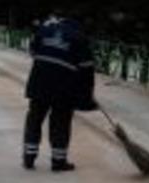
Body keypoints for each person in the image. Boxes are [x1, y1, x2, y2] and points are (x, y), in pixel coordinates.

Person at [23, 18, 96, 172]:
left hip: (39, 82)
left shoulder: (44, 30)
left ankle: (29, 158)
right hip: (63, 88)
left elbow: (32, 51)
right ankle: (58, 161)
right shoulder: (80, 38)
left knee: (34, 119)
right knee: (60, 123)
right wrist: (87, 97)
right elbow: (87, 71)